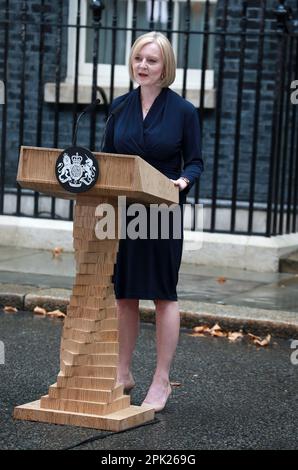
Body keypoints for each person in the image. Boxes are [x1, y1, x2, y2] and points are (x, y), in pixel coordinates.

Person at [102, 31, 204, 412]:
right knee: (124, 295)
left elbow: (195, 160)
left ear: (166, 67)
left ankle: (161, 380)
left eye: (152, 60)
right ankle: (122, 373)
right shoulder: (118, 107)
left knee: (163, 295)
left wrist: (184, 180)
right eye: (139, 58)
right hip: (125, 211)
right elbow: (107, 159)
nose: (143, 66)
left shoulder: (184, 112)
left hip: (163, 210)